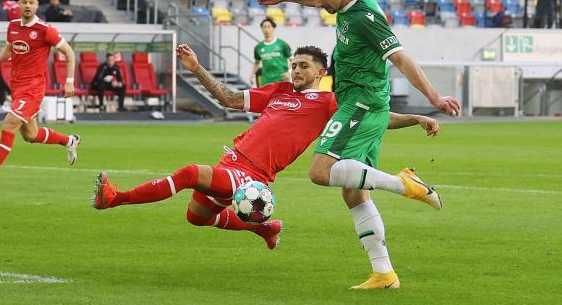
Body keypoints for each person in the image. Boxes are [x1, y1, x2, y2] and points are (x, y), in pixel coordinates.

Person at [93, 44, 441, 261]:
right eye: (294, 65)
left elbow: (376, 117)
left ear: (321, 72)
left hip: (252, 176)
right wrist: (197, 69)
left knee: (188, 173)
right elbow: (229, 99)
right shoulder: (278, 90)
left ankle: (115, 198)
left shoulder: (329, 102)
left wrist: (416, 117)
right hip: (231, 160)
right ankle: (264, 229)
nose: (296, 70)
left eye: (304, 65)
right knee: (196, 217)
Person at [257, 0, 461, 289]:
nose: (318, 3)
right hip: (363, 102)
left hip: (360, 103)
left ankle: (405, 184)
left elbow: (401, 58)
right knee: (353, 193)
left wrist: (434, 98)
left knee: (320, 172)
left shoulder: (365, 16)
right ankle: (384, 273)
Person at [0, 0, 81, 186]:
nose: (28, 6)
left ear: (37, 5)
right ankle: (69, 141)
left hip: (33, 89)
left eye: (31, 2)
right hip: (18, 88)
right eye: (24, 2)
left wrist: (69, 81)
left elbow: (70, 53)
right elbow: (9, 49)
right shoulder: (12, 26)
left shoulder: (45, 30)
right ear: (18, 4)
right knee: (30, 135)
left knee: (8, 124)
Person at [248, 17, 292, 86]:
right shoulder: (258, 47)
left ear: (273, 28)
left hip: (282, 81)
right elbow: (257, 63)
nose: (266, 29)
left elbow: (293, 60)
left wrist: (289, 72)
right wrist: (251, 75)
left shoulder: (282, 44)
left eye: (269, 27)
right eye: (264, 27)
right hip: (266, 82)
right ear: (261, 29)